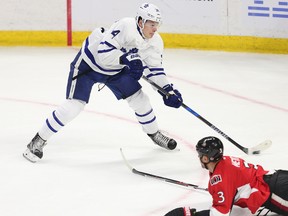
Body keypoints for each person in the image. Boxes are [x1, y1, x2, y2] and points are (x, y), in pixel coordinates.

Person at [23, 3, 183, 163]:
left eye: (157, 25)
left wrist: (167, 90)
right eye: (152, 24)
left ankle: (154, 134)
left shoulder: (155, 42)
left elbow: (154, 70)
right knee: (74, 106)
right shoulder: (126, 26)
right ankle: (37, 142)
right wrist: (126, 58)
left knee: (141, 100)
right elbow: (103, 53)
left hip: (116, 70)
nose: (155, 29)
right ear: (141, 21)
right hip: (89, 65)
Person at [165, 136, 288, 216]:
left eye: (200, 155)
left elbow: (220, 214)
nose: (199, 158)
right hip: (279, 177)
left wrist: (190, 214)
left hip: (276, 192)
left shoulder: (220, 180)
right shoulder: (227, 160)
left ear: (206, 157)